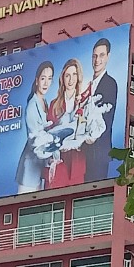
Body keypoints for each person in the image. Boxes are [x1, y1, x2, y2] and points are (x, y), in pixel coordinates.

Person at [82, 38, 119, 182]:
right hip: (83, 153)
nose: (97, 60)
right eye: (95, 56)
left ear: (108, 57)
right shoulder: (87, 85)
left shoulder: (110, 84)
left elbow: (106, 119)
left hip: (98, 152)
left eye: (101, 55)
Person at [46, 58, 87, 189]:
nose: (71, 79)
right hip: (59, 161)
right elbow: (48, 133)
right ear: (62, 78)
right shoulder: (54, 104)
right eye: (67, 75)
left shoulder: (85, 102)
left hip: (76, 162)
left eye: (74, 75)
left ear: (78, 77)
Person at [16, 61, 56, 193]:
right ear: (37, 80)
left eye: (49, 79)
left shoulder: (45, 102)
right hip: (30, 168)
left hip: (39, 167)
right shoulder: (32, 105)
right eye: (43, 78)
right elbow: (35, 138)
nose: (46, 83)